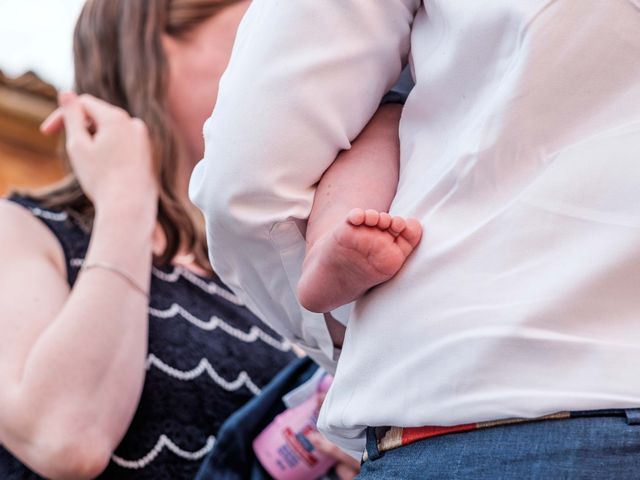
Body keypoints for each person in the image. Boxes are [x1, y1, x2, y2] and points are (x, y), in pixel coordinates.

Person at [190, 0, 640, 477]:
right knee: (385, 132)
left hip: (479, 384)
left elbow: (247, 180)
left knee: (383, 134)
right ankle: (335, 249)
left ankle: (330, 249)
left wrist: (346, 338)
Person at [0, 1, 298, 478]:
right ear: (154, 49)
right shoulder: (20, 230)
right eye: (252, 41)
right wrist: (125, 200)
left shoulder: (257, 267)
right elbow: (65, 438)